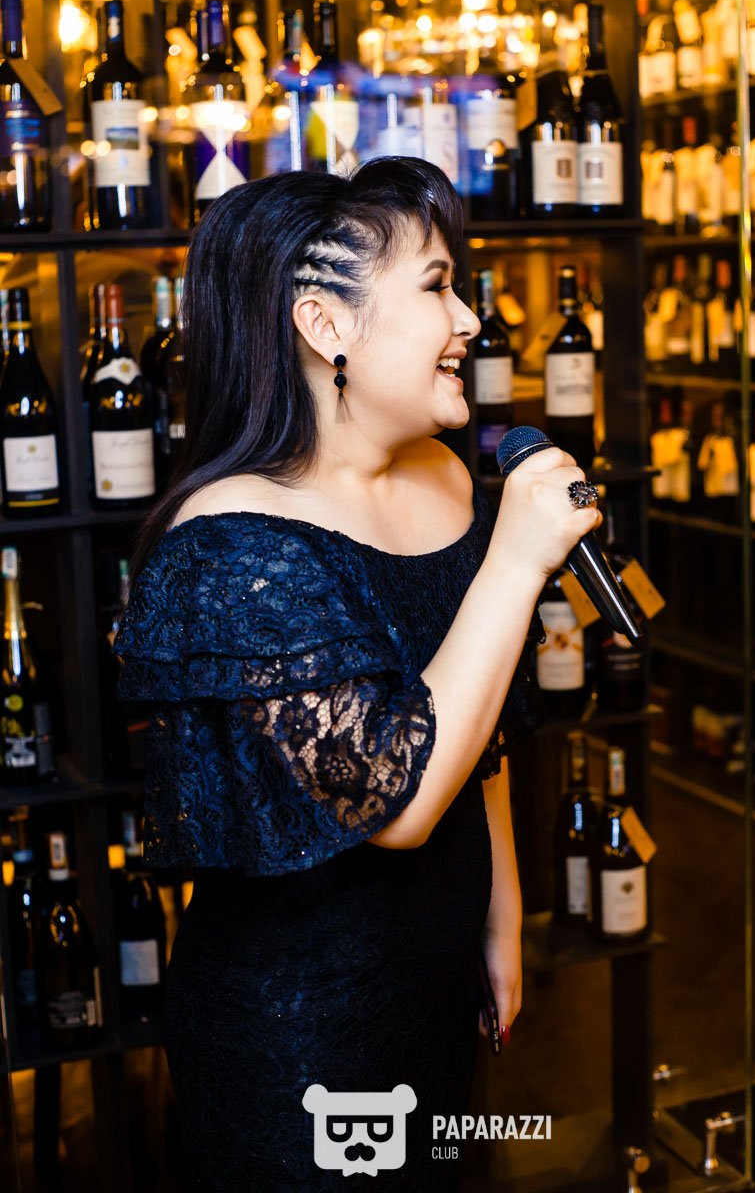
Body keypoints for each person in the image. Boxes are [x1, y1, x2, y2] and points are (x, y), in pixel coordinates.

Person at [113, 157, 601, 1192]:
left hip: (435, 985)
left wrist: (500, 913)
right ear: (325, 325)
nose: (468, 318)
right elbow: (399, 803)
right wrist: (518, 561)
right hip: (298, 1028)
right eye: (436, 286)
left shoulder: (447, 479)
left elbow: (477, 730)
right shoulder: (233, 545)